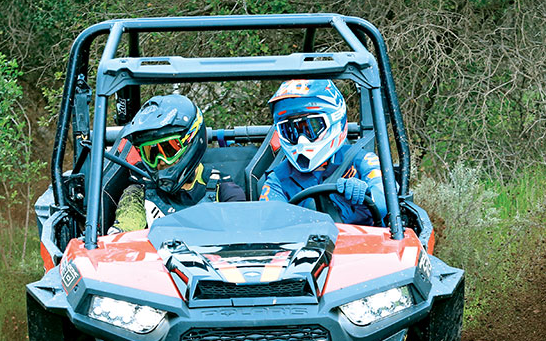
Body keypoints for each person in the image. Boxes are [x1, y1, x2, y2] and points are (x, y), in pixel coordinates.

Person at [104, 94, 244, 230]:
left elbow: (240, 236)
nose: (161, 161)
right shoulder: (139, 193)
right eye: (150, 154)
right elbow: (125, 230)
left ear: (191, 140)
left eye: (168, 150)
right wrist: (118, 232)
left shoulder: (225, 191)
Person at [258, 79, 387, 225]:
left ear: (333, 121)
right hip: (306, 245)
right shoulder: (278, 179)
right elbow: (268, 223)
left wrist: (366, 195)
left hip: (366, 245)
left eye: (310, 128)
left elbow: (386, 200)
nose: (302, 139)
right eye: (291, 131)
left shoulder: (363, 161)